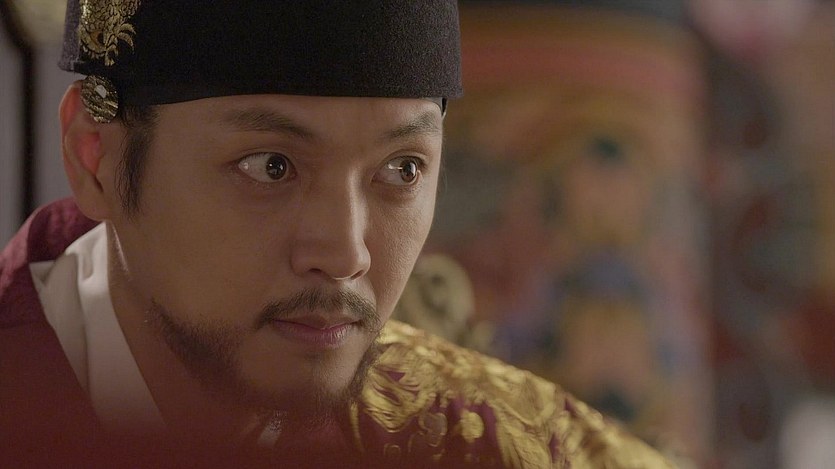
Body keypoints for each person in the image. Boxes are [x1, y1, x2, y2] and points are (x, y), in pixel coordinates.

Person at [0, 1, 674, 467]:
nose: (346, 253)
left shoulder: (493, 443)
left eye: (401, 170)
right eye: (271, 166)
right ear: (97, 157)